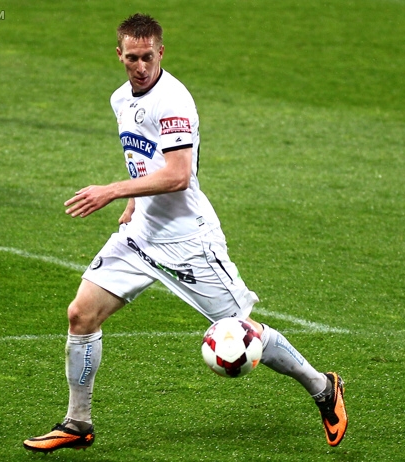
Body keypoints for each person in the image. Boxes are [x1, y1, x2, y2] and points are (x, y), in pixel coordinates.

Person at [23, 13, 347, 453]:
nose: (140, 66)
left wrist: (114, 192)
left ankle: (323, 387)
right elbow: (142, 154)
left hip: (189, 241)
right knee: (81, 314)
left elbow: (177, 175)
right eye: (132, 58)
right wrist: (135, 202)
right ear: (119, 55)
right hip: (140, 236)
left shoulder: (173, 100)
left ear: (161, 53)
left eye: (148, 57)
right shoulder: (121, 98)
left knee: (243, 331)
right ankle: (78, 423)